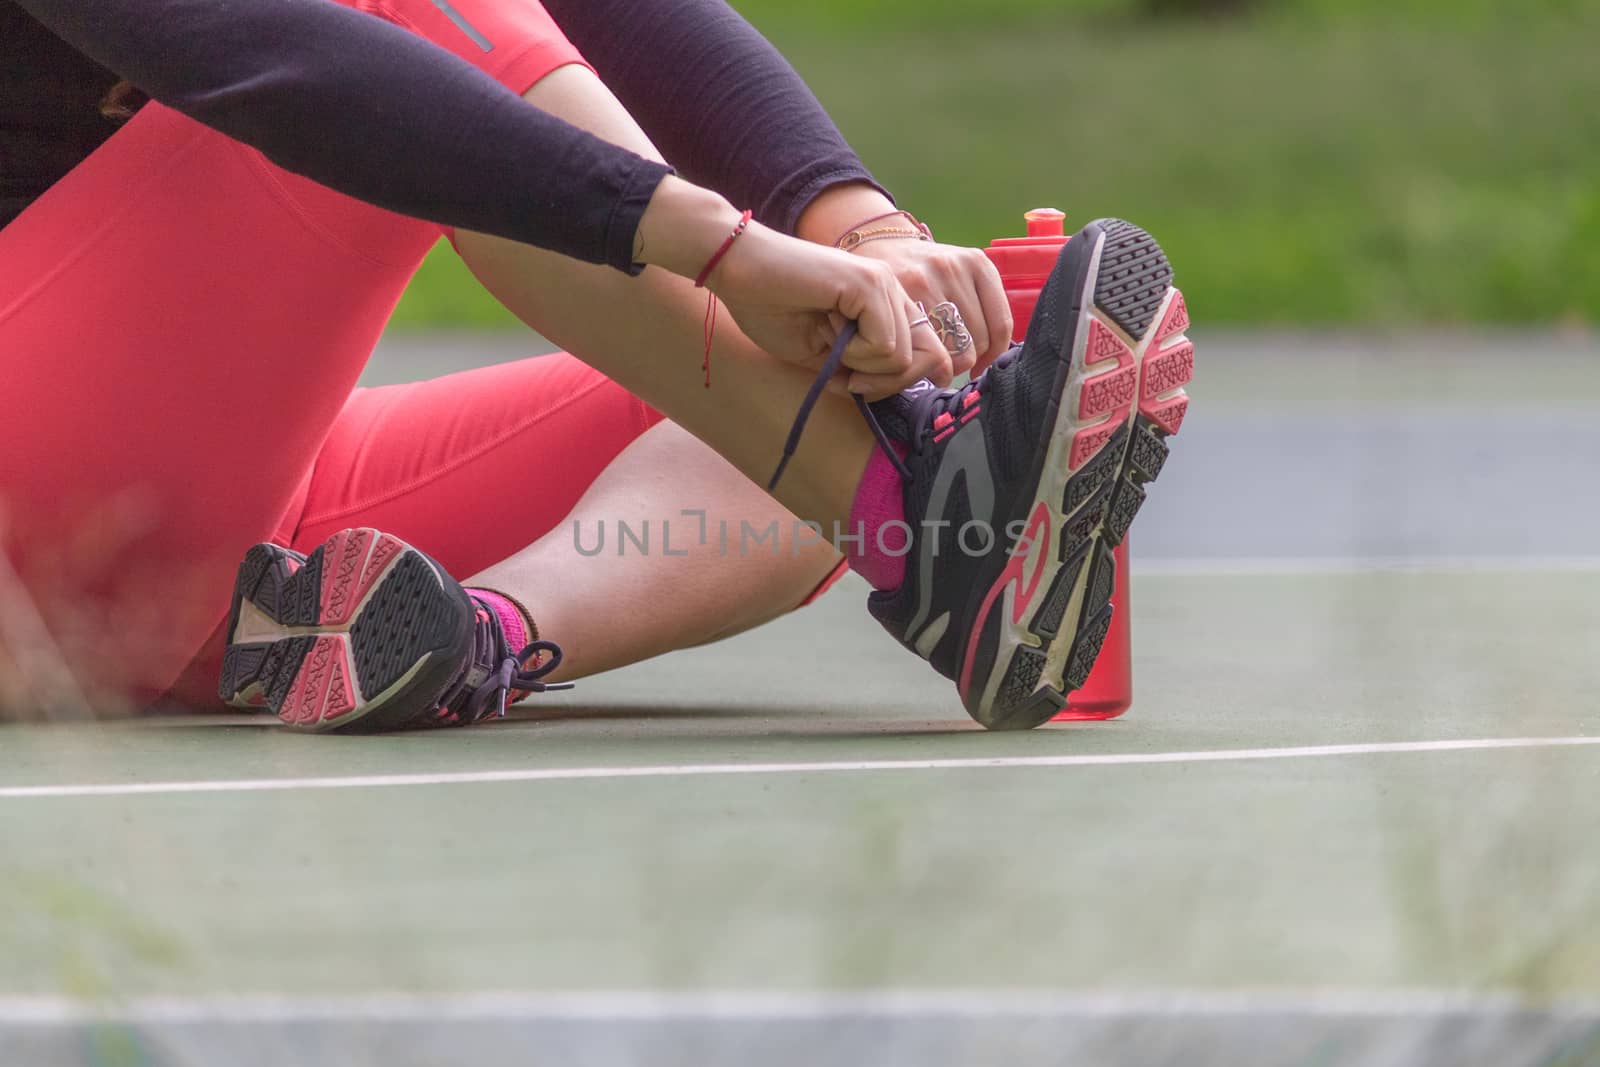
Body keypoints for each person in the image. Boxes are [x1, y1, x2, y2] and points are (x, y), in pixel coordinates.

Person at [0, 0, 1193, 732]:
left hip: (192, 561)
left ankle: (476, 641)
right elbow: (286, 65)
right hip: (34, 518)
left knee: (749, 418)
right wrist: (720, 250)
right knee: (393, 24)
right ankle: (926, 511)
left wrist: (858, 235)